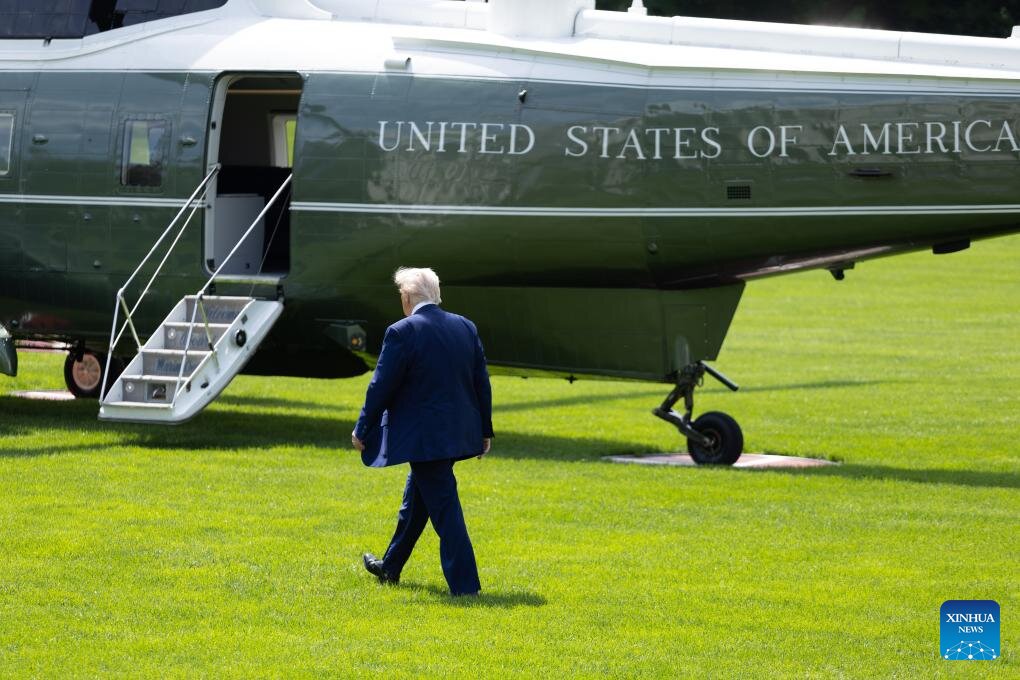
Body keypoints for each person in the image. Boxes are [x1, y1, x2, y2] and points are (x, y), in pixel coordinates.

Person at [352, 267, 493, 596]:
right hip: (458, 433)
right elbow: (481, 383)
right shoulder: (465, 326)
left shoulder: (401, 332)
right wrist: (484, 430)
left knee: (445, 511)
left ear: (406, 297)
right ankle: (390, 567)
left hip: (426, 439)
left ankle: (466, 587)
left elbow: (380, 386)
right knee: (415, 503)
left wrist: (362, 428)